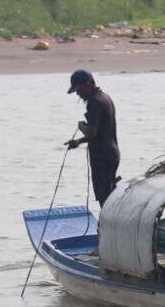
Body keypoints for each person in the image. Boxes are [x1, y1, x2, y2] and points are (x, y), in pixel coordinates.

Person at [64, 70, 120, 207]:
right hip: (112, 154)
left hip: (102, 157)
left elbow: (93, 134)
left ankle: (107, 226)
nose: (78, 93)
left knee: (104, 198)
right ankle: (110, 225)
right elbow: (100, 129)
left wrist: (77, 141)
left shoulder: (94, 102)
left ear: (89, 84)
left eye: (79, 89)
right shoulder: (105, 97)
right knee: (109, 194)